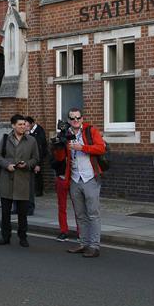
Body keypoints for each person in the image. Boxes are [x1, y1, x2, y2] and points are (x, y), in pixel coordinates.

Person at [62, 108, 107, 258]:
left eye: (78, 118)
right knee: (80, 214)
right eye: (72, 118)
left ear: (82, 119)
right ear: (68, 120)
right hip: (74, 178)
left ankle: (94, 246)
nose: (75, 120)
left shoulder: (90, 130)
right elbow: (61, 157)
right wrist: (58, 145)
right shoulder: (66, 134)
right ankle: (83, 243)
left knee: (93, 214)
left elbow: (101, 148)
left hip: (90, 177)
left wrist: (82, 148)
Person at [0, 114, 38, 247]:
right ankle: (5, 236)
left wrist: (27, 164)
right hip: (7, 179)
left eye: (24, 124)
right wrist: (7, 165)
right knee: (5, 212)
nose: (23, 127)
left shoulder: (31, 140)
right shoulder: (6, 138)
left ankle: (23, 237)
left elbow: (35, 158)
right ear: (13, 125)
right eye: (20, 124)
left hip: (23, 179)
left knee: (22, 213)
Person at [50, 124, 74, 241]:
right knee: (62, 206)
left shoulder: (75, 140)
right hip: (62, 176)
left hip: (75, 177)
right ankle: (63, 230)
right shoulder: (57, 144)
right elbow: (55, 161)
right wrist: (59, 146)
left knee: (78, 207)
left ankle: (81, 231)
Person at [26, 117, 48, 197]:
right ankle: (32, 190)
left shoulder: (39, 131)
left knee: (37, 173)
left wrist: (38, 163)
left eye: (28, 125)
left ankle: (39, 191)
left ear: (32, 124)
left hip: (38, 156)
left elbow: (40, 147)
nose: (26, 127)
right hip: (30, 157)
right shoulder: (29, 132)